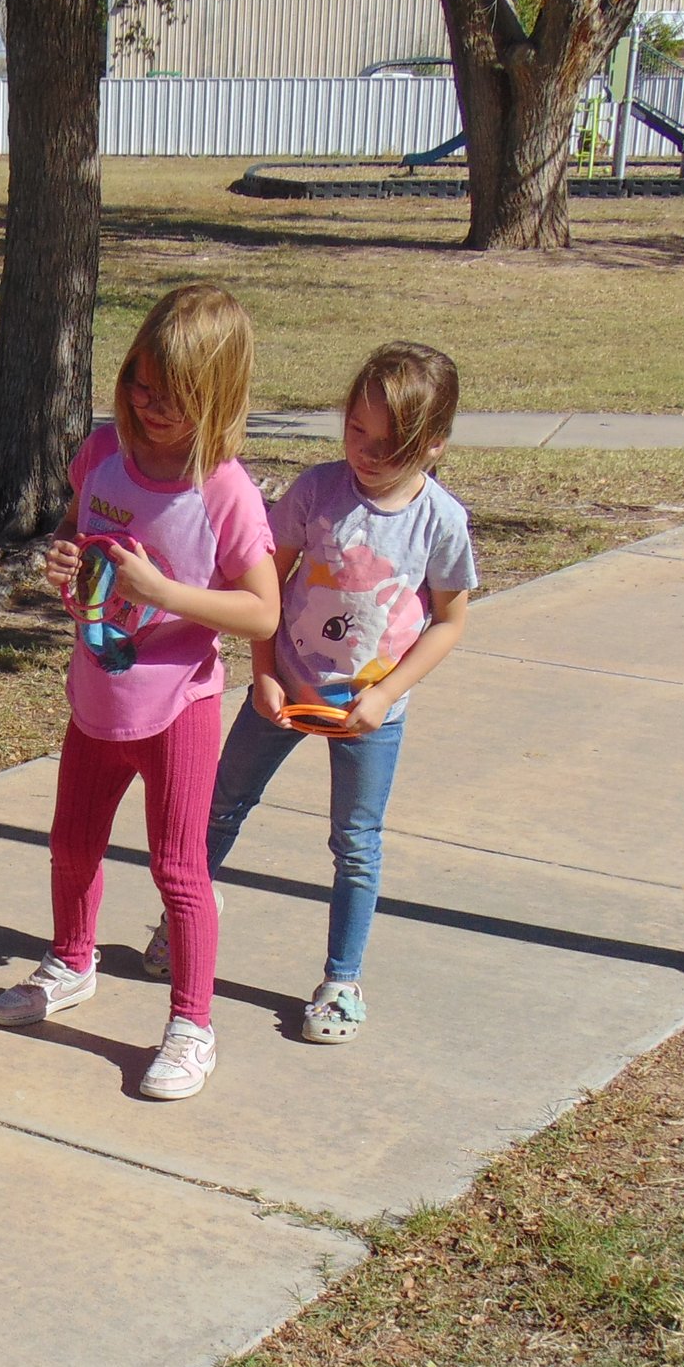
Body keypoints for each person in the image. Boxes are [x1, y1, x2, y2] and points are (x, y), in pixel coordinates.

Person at [0, 283, 281, 1102]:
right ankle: (71, 962)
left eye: (175, 396)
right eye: (141, 385)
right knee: (71, 845)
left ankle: (193, 1023)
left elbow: (262, 607)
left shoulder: (223, 489)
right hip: (97, 694)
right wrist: (63, 562)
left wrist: (168, 591)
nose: (152, 406)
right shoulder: (100, 454)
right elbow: (82, 538)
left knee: (178, 869)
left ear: (216, 397)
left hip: (178, 704)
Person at [157, 341, 477, 1046]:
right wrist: (264, 671)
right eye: (355, 430)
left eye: (389, 444)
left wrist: (387, 693)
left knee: (356, 843)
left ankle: (341, 979)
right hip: (285, 687)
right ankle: (180, 928)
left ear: (434, 447)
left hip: (369, 712)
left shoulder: (440, 522)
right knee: (218, 806)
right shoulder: (315, 492)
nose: (365, 451)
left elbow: (449, 621)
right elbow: (263, 586)